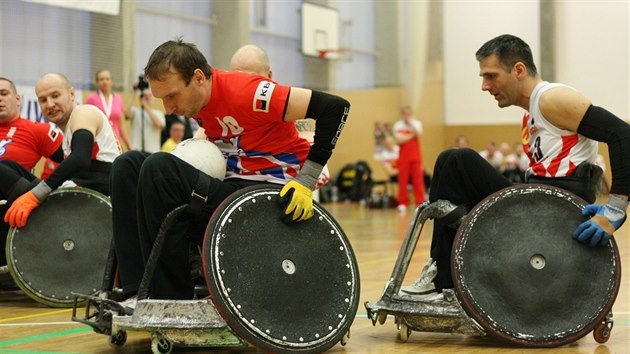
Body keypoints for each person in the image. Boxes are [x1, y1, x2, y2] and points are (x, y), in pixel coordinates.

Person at [110, 38, 350, 303]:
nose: (168, 109)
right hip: (230, 188)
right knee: (127, 165)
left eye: (171, 96)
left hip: (266, 194)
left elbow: (335, 107)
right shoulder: (199, 104)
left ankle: (171, 299)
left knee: (159, 168)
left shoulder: (250, 92)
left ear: (199, 78)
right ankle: (134, 290)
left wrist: (306, 182)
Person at [401, 34, 630, 298]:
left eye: (491, 76)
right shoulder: (531, 113)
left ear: (518, 70)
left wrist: (615, 210)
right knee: (447, 161)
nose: (485, 86)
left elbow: (622, 135)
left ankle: (445, 278)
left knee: (458, 159)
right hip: (534, 199)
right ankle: (443, 272)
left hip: (555, 206)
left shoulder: (552, 99)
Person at [1, 73, 121, 266]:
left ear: (72, 94)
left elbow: (80, 159)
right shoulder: (66, 134)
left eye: (55, 96)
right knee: (7, 167)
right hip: (77, 197)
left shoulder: (84, 113)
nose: (50, 104)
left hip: (92, 201)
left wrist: (34, 196)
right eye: (43, 100)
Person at [0, 77, 64, 271]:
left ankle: (50, 212)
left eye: (4, 94)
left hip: (19, 206)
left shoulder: (37, 131)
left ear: (18, 99)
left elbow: (75, 162)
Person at [86, 69, 132, 150]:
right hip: (99, 144)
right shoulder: (91, 99)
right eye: (101, 79)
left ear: (111, 82)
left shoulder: (118, 98)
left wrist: (129, 145)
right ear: (97, 82)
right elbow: (87, 123)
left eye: (107, 79)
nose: (105, 82)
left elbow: (121, 125)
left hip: (115, 143)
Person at [392, 105, 426, 213]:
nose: (407, 116)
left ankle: (420, 202)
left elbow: (419, 133)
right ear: (402, 114)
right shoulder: (398, 125)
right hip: (403, 157)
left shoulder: (416, 123)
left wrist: (411, 124)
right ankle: (402, 203)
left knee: (418, 180)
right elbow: (399, 140)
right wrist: (412, 135)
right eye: (405, 114)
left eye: (409, 114)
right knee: (403, 180)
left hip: (415, 156)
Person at [125, 87, 165, 153]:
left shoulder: (158, 113)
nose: (147, 98)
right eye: (145, 96)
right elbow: (126, 113)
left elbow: (158, 124)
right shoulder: (135, 111)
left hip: (152, 151)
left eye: (149, 96)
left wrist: (145, 105)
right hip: (136, 150)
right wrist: (134, 92)